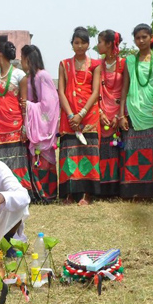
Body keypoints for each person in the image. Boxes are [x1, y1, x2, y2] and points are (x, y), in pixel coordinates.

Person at [120, 23, 153, 200]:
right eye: (137, 38)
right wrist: (121, 114)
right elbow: (124, 87)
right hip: (134, 111)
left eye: (144, 37)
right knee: (133, 151)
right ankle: (134, 191)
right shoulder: (130, 61)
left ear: (151, 37)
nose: (140, 41)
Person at [58, 27, 102, 205]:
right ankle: (70, 193)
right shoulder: (63, 64)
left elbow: (96, 91)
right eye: (76, 42)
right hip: (69, 114)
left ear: (88, 44)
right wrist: (70, 116)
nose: (80, 46)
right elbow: (61, 91)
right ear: (72, 44)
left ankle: (86, 194)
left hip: (89, 115)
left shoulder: (95, 64)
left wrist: (81, 114)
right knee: (70, 153)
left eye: (83, 42)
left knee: (87, 153)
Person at [0, 41, 32, 193]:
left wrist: (25, 127)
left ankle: (19, 192)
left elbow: (24, 103)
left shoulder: (20, 75)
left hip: (15, 124)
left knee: (16, 160)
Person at [20, 44, 60, 202]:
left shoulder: (43, 75)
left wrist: (29, 106)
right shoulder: (28, 78)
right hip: (33, 124)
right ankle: (38, 194)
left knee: (44, 160)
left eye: (22, 58)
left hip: (43, 126)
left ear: (28, 59)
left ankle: (48, 195)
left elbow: (50, 104)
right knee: (35, 160)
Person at [96, 30, 125, 197]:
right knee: (103, 149)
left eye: (100, 42)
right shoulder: (97, 65)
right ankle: (102, 188)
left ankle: (116, 188)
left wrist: (119, 115)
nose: (97, 45)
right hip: (101, 112)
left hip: (117, 112)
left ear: (109, 44)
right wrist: (99, 111)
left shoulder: (123, 64)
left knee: (116, 149)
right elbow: (96, 90)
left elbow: (125, 90)